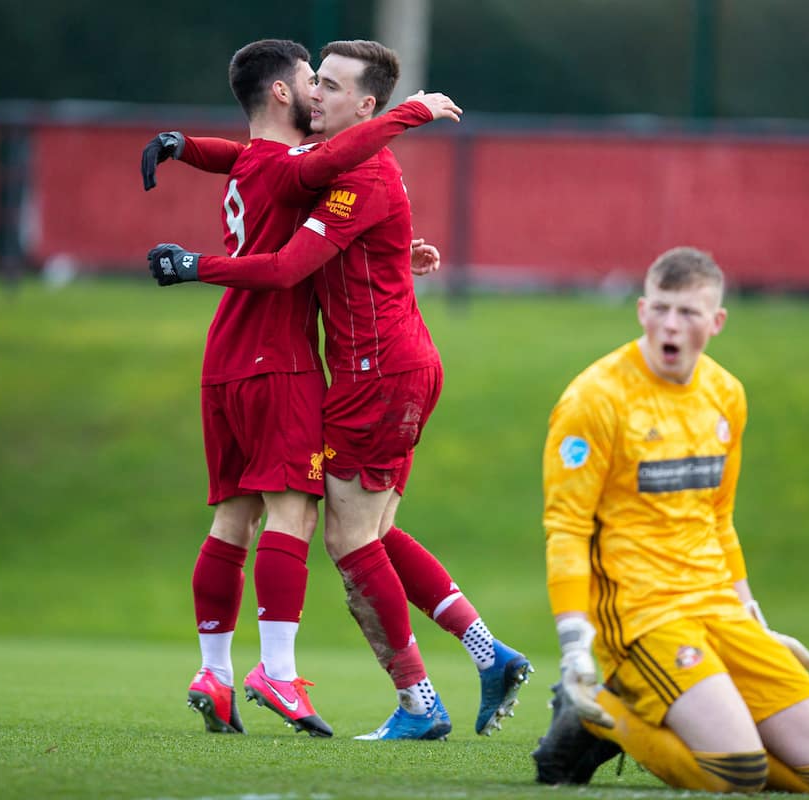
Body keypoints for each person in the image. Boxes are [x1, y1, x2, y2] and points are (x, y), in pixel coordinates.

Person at [146, 40, 532, 740]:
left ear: (364, 105)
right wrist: (396, 251)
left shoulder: (360, 174)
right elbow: (258, 162)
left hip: (374, 373)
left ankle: (418, 703)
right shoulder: (338, 167)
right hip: (392, 364)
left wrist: (196, 264)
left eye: (328, 85)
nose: (312, 94)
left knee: (349, 541)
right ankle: (488, 655)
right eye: (311, 80)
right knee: (375, 533)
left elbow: (293, 263)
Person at [531, 247, 809, 793]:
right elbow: (567, 528)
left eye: (688, 313)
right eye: (660, 309)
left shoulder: (726, 394)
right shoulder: (593, 400)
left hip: (717, 607)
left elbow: (719, 516)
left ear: (717, 322)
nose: (671, 325)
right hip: (643, 616)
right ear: (641, 311)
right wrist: (574, 645)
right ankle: (600, 711)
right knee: (739, 772)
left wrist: (752, 615)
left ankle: (648, 710)